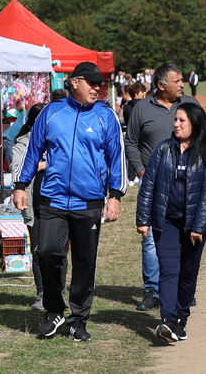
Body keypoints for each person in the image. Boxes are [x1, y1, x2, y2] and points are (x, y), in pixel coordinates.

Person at [13, 62, 126, 342]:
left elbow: (116, 157)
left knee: (84, 262)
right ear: (75, 83)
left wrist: (115, 196)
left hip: (88, 201)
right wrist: (20, 185)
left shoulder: (106, 116)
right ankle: (54, 310)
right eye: (93, 83)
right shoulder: (51, 113)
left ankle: (78, 319)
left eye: (101, 84)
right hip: (52, 198)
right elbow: (33, 150)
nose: (99, 88)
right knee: (48, 252)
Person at [136, 102, 206, 343]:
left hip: (195, 224)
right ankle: (168, 320)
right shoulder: (164, 149)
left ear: (195, 123)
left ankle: (181, 318)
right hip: (167, 222)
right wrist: (143, 219)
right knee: (169, 270)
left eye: (182, 121)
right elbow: (148, 186)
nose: (176, 124)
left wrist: (198, 226)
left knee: (188, 272)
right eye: (176, 120)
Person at [125, 63, 199, 312]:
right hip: (154, 183)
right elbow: (132, 142)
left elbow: (203, 138)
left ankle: (183, 289)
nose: (182, 84)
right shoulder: (142, 108)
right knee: (150, 237)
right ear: (161, 85)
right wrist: (140, 170)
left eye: (181, 80)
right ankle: (153, 290)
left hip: (188, 183)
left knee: (188, 234)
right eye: (177, 81)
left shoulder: (190, 105)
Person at [10, 103, 65, 311]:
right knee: (40, 251)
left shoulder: (58, 141)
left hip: (59, 202)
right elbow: (17, 170)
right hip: (35, 205)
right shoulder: (22, 144)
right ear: (35, 123)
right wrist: (44, 164)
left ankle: (60, 292)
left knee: (59, 251)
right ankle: (43, 293)